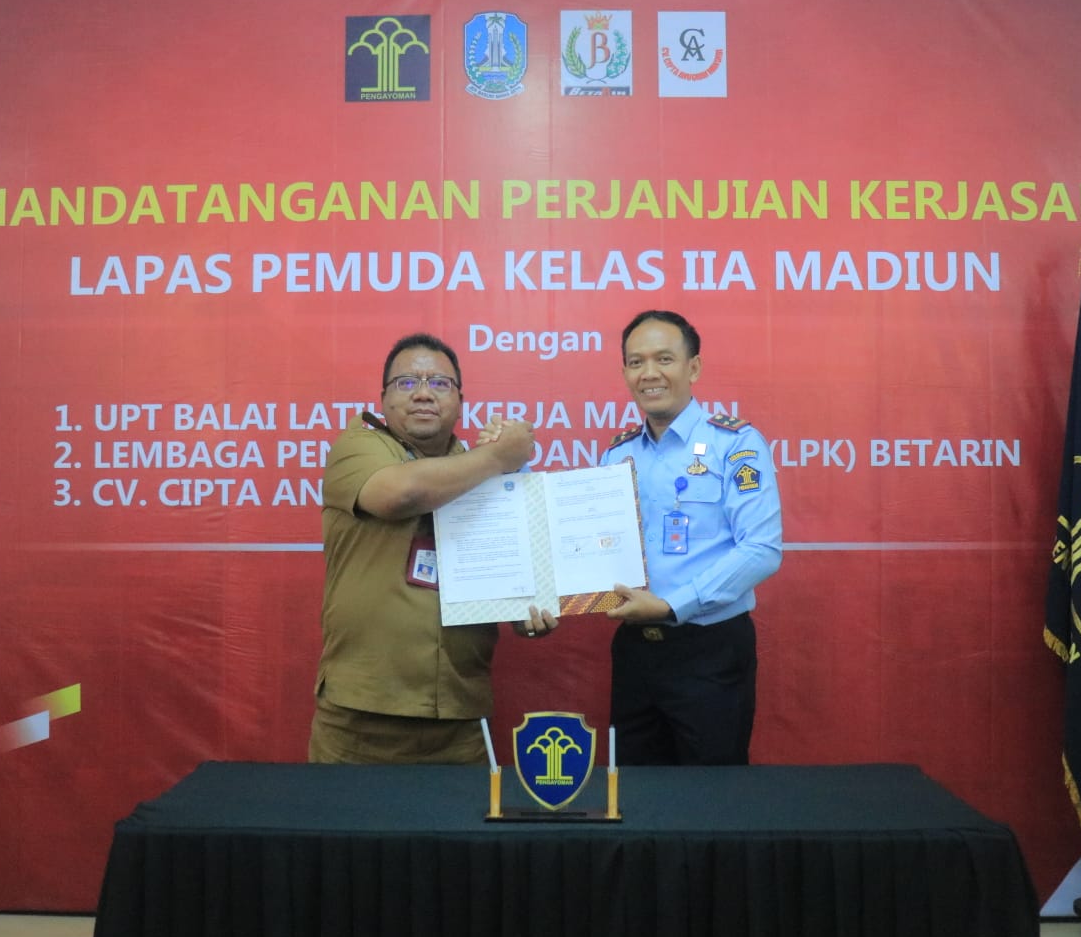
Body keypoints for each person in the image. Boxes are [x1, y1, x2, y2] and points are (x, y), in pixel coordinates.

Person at [309, 332, 559, 764]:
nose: (423, 393)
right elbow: (400, 494)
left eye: (439, 383)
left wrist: (527, 611)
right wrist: (499, 456)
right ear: (384, 398)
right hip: (360, 719)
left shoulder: (485, 473)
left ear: (460, 402)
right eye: (407, 382)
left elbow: (510, 580)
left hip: (459, 720)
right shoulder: (358, 447)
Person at [600, 310, 782, 765]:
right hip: (635, 651)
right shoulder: (617, 454)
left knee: (711, 795)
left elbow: (761, 549)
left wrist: (671, 606)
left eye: (664, 359)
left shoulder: (736, 445)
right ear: (625, 373)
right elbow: (591, 543)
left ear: (693, 367)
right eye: (636, 362)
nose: (649, 373)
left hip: (709, 651)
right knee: (635, 791)